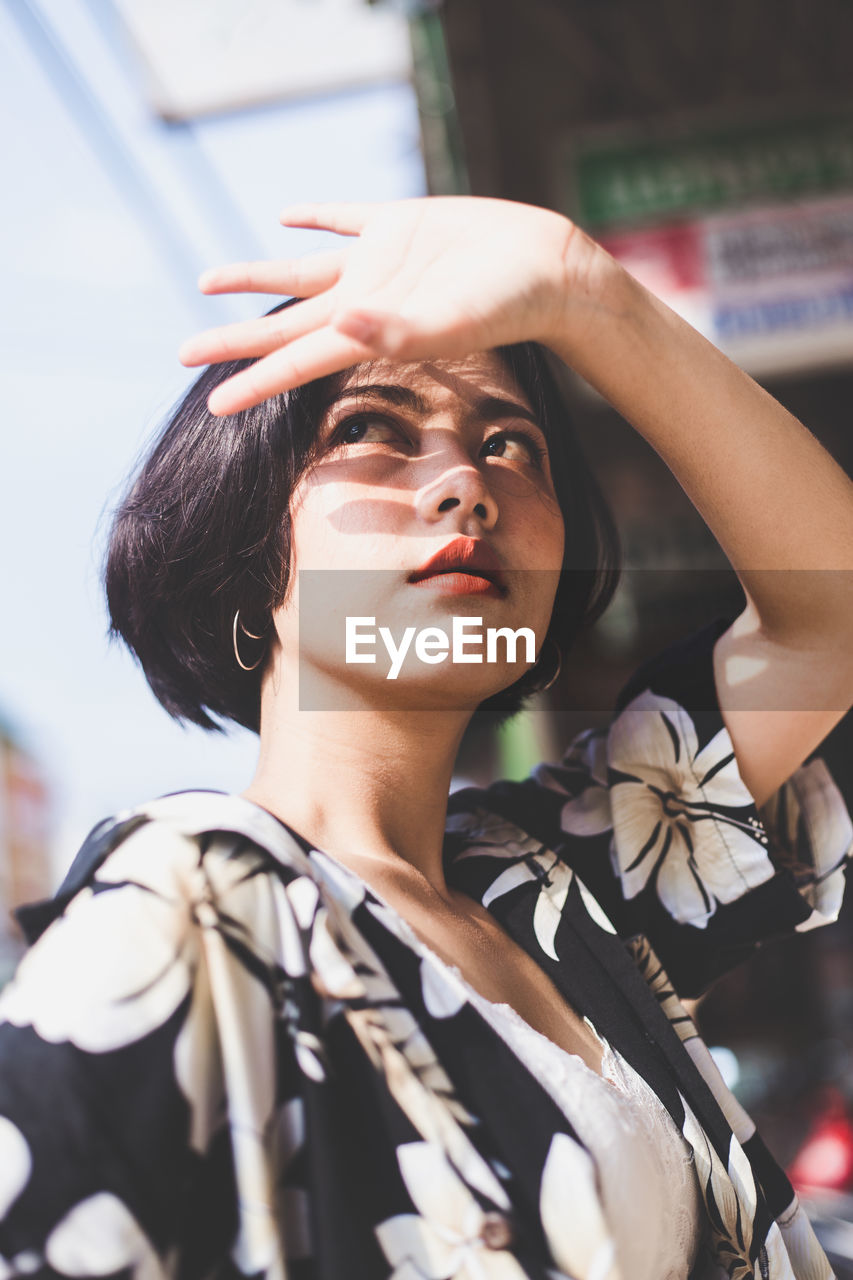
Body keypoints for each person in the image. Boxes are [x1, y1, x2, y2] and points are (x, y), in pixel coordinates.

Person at [0, 195, 851, 1280]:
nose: (464, 483)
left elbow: (828, 615)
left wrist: (588, 292)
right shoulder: (194, 912)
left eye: (511, 444)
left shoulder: (568, 881)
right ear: (248, 555)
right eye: (369, 430)